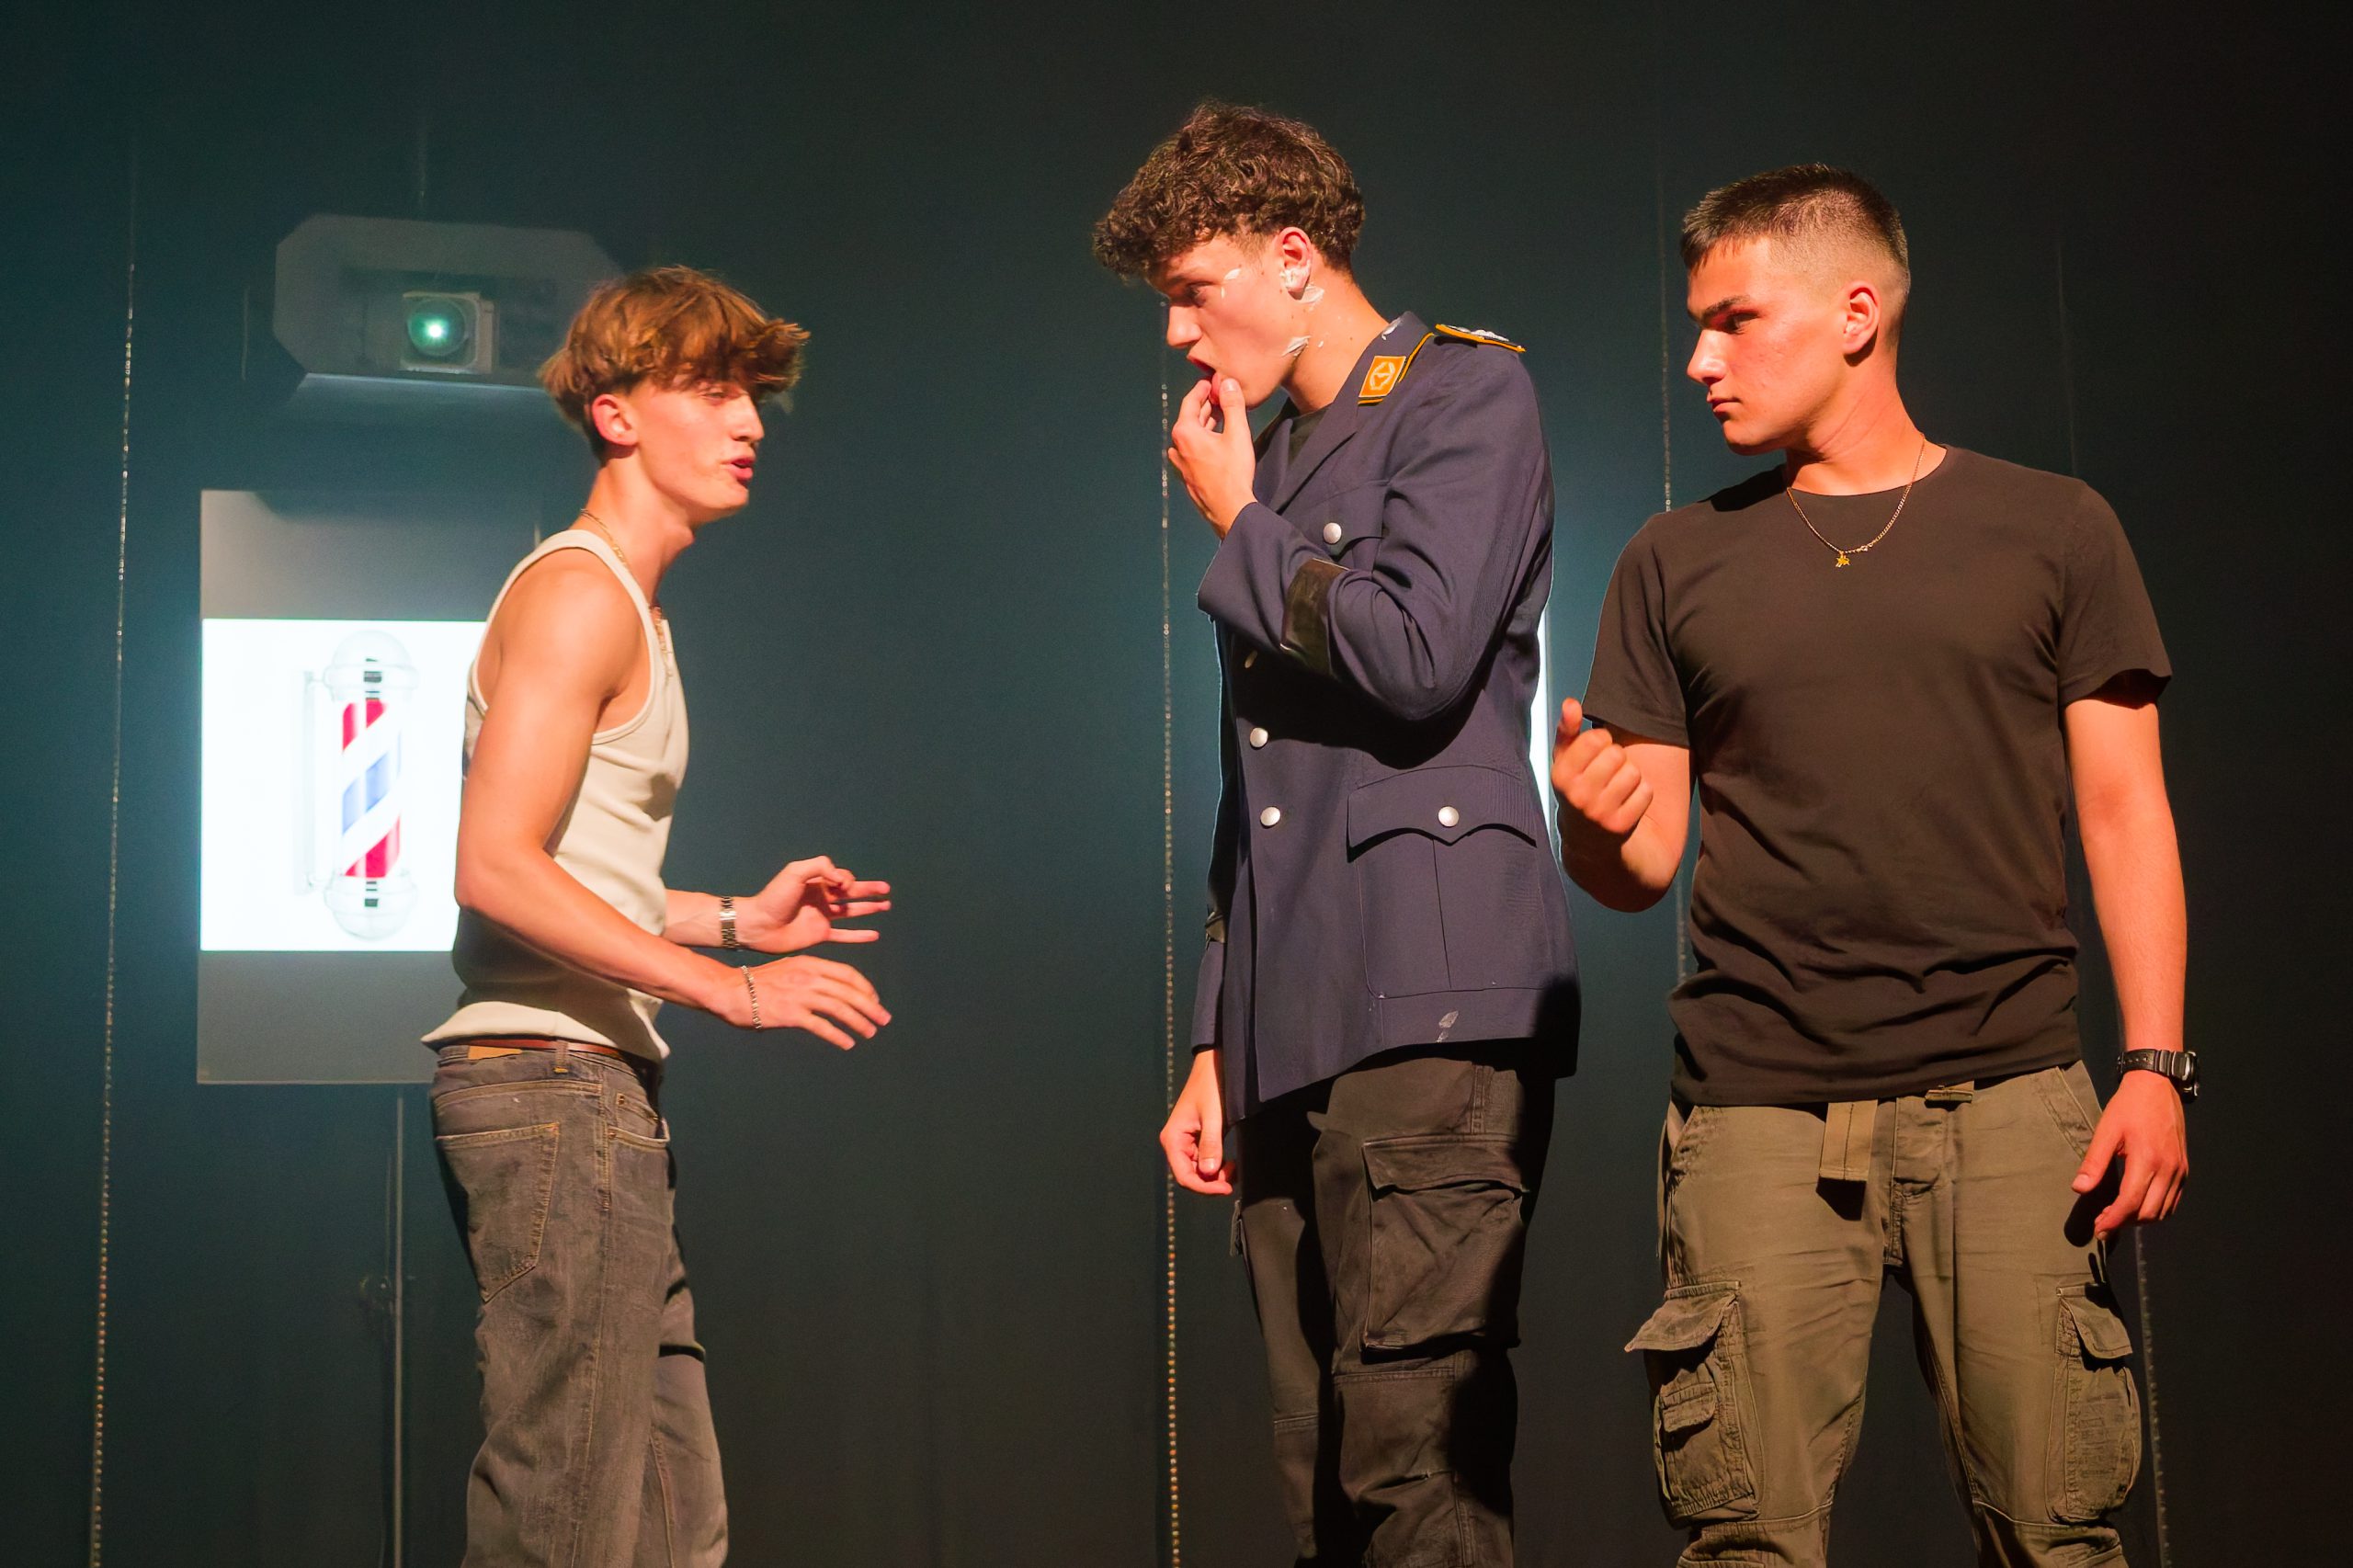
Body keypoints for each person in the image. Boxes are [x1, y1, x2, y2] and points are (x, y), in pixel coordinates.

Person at [1553, 165, 2191, 1566]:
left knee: (2058, 1532)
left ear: (1857, 314)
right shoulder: (1673, 561)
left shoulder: (2055, 529)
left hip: (2013, 1098)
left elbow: (2125, 812)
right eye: (1697, 325)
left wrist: (2155, 1064)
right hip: (1760, 1110)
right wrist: (1590, 820)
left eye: (1734, 319)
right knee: (1746, 1539)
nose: (1699, 359)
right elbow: (1643, 859)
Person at [1095, 103, 1579, 1564]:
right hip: (1287, 1018)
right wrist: (1212, 1033)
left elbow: (1419, 655)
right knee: (1318, 1483)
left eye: (1196, 290)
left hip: (1429, 998)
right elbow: (1261, 782)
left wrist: (1244, 525)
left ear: (1294, 257)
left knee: (1413, 1466)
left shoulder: (1465, 395)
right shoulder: (1284, 456)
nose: (1178, 332)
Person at [421, 265, 894, 1566]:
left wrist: (739, 920)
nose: (747, 423)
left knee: (672, 1527)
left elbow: (583, 867)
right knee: (565, 1523)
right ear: (617, 415)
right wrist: (731, 990)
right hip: (552, 1087)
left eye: (752, 395)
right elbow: (494, 868)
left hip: (595, 1090)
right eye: (712, 390)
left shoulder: (636, 605)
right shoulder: (579, 594)